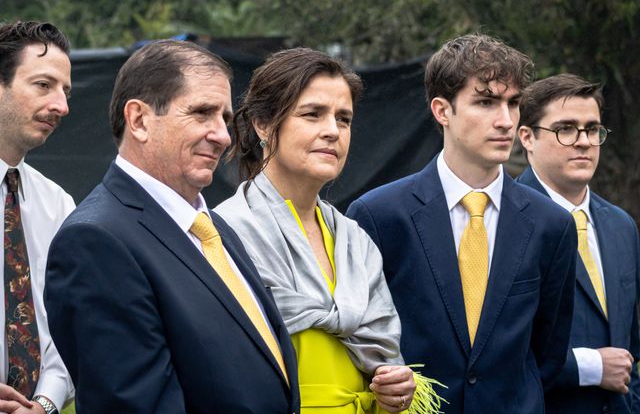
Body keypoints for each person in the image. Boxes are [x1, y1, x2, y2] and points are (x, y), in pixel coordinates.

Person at [44, 40, 300, 414]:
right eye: (201, 113)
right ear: (139, 120)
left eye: (225, 118)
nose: (223, 136)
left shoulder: (212, 229)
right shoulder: (96, 241)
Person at [347, 34, 578, 414]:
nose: (505, 120)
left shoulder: (551, 224)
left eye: (513, 103)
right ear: (442, 110)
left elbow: (547, 353)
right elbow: (361, 343)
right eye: (486, 102)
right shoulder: (378, 215)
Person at [215, 48, 442, 414]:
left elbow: (380, 362)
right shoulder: (224, 236)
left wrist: (392, 391)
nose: (332, 131)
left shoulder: (356, 240)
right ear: (263, 124)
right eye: (312, 114)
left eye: (344, 119)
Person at [517, 73, 640, 413]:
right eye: (566, 129)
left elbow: (630, 348)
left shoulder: (621, 225)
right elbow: (495, 352)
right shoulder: (505, 221)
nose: (584, 141)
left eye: (592, 129)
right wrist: (589, 367)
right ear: (527, 137)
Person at [0, 21, 75, 414]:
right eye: (43, 85)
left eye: (65, 91)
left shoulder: (59, 205)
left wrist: (43, 404)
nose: (61, 106)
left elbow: (70, 326)